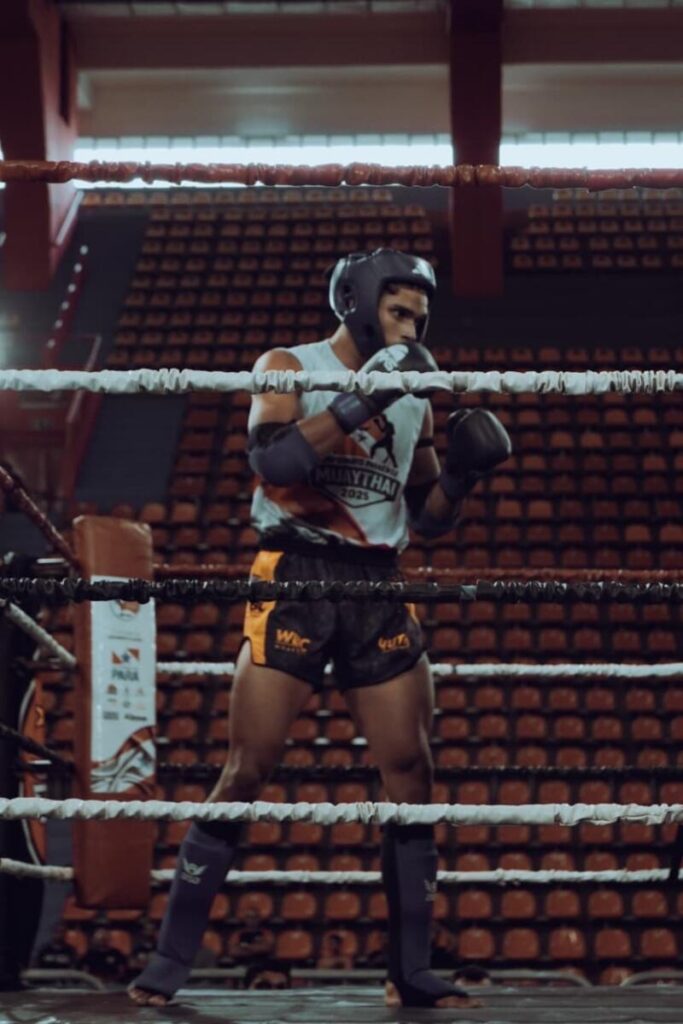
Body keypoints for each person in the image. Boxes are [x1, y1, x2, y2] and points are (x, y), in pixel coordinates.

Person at [129, 248, 511, 1010]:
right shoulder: (288, 365)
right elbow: (272, 462)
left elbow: (426, 518)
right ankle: (168, 963)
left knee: (411, 772)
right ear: (359, 304)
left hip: (376, 584)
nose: (412, 329)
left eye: (420, 318)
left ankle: (410, 972)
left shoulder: (413, 397)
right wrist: (362, 399)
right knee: (247, 768)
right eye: (398, 312)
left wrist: (462, 478)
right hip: (294, 572)